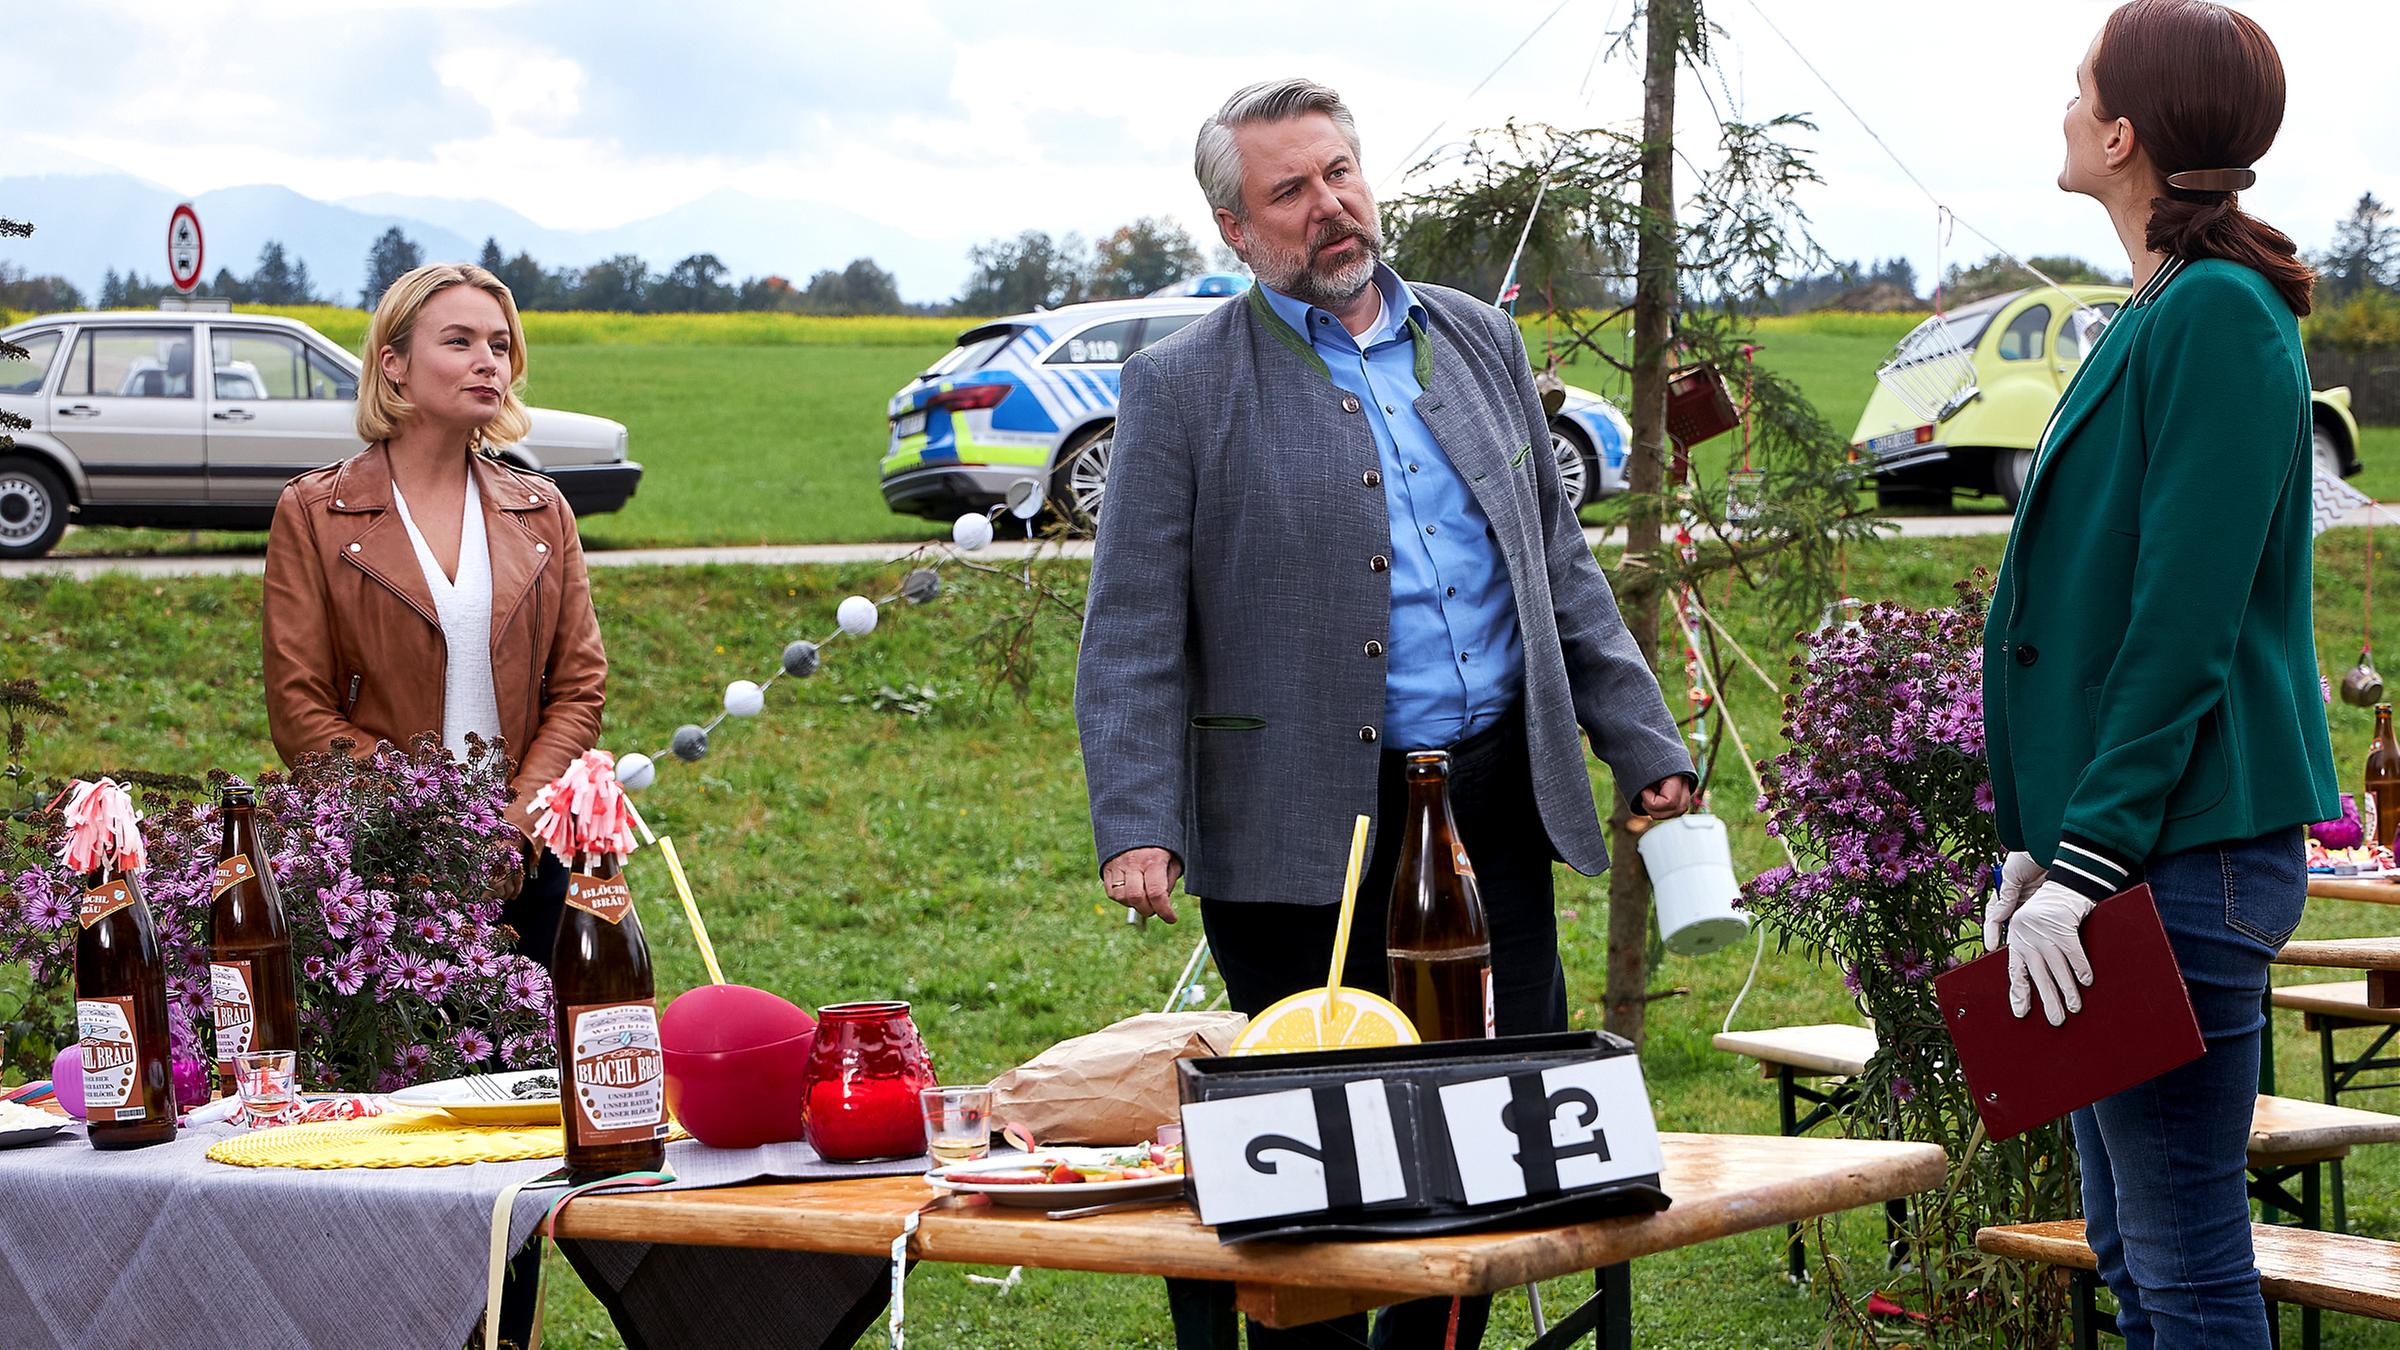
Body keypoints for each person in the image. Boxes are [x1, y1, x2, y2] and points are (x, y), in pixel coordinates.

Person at [1076, 78, 1694, 1350]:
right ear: (1235, 229)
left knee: (1487, 1148)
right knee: (1318, 1176)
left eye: (1339, 173)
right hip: (1296, 830)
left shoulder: (1477, 338)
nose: (1329, 206)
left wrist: (1641, 742)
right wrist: (1138, 820)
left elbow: (1557, 564)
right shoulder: (1181, 387)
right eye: (1288, 191)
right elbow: (1133, 624)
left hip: (1493, 810)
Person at [1980, 5, 2338, 1346]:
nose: (2067, 108)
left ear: (2124, 134)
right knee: (2135, 1256)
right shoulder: (2168, 303)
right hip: (2131, 851)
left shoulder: (2221, 315)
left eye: (2081, 89)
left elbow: (2182, 626)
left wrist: (2084, 862)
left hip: (2182, 857)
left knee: (2182, 1267)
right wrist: (2044, 847)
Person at [263, 262, 607, 968]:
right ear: (394, 364)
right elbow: (300, 712)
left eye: (500, 346)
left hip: (529, 861)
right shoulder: (315, 513)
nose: (489, 362)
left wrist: (517, 821)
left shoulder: (542, 511)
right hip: (379, 866)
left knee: (547, 1040)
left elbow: (579, 690)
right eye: (459, 342)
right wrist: (430, 829)